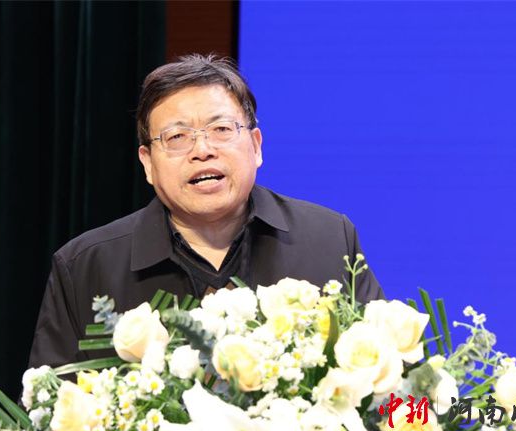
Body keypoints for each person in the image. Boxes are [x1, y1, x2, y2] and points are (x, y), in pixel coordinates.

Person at [28, 54, 384, 368]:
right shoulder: (86, 267)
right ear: (147, 163)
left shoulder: (329, 239)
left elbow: (385, 378)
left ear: (256, 146)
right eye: (177, 137)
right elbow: (49, 410)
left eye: (221, 129)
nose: (202, 150)